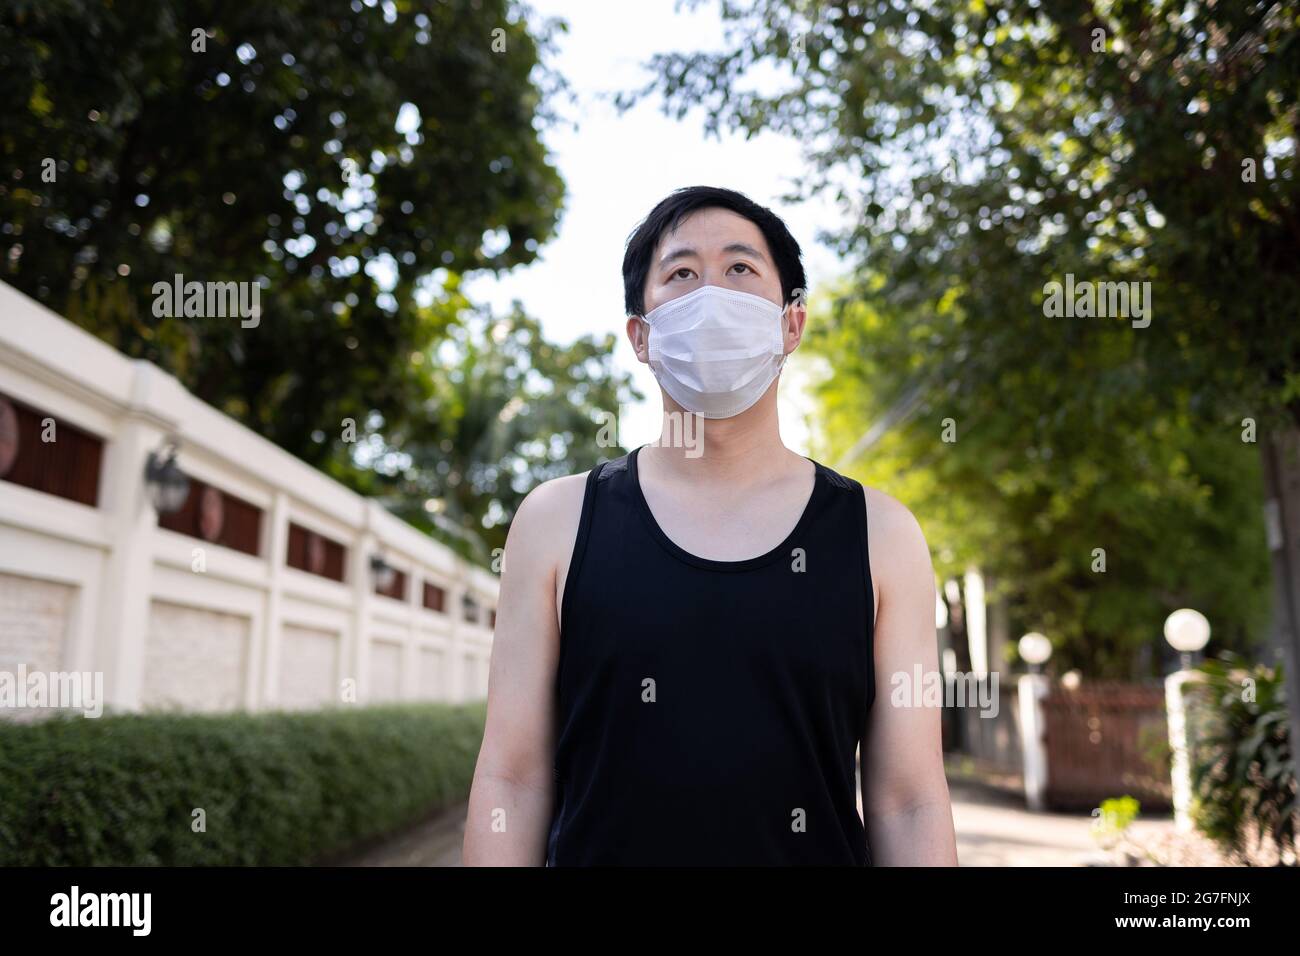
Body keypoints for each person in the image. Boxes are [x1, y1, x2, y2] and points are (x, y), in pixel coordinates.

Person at [463, 185, 957, 866]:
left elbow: (910, 800)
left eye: (741, 269)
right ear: (641, 335)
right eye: (683, 274)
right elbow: (511, 781)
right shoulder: (556, 522)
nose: (713, 294)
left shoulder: (882, 535)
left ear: (792, 325)